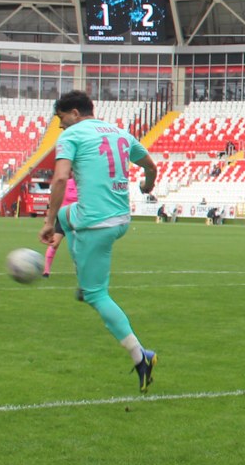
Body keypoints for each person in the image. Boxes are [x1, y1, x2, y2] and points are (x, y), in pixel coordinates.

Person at [38, 90, 160, 392]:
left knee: (97, 295)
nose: (60, 126)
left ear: (75, 113)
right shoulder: (121, 134)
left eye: (61, 119)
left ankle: (141, 356)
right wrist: (147, 186)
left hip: (95, 224)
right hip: (119, 219)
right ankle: (83, 280)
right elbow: (151, 166)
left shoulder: (72, 135)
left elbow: (61, 178)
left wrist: (47, 222)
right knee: (67, 216)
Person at [42, 175, 80, 277]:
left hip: (78, 218)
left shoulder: (85, 184)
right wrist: (48, 216)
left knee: (78, 247)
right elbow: (54, 199)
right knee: (54, 243)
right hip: (63, 217)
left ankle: (80, 268)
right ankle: (46, 271)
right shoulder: (66, 183)